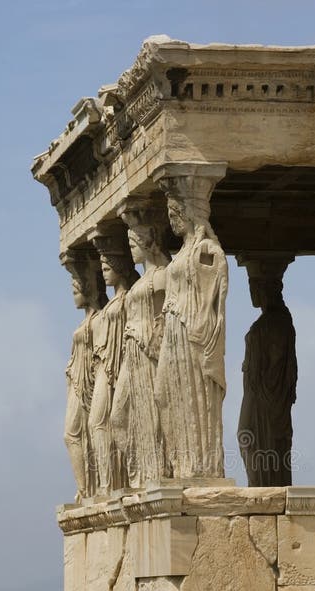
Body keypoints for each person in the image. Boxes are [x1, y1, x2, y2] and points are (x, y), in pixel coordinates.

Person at [155, 188, 228, 478]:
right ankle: (181, 464)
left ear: (191, 213)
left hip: (189, 329)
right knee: (164, 393)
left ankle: (199, 467)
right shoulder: (185, 252)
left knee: (190, 392)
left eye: (176, 213)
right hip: (173, 329)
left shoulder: (205, 249)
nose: (172, 220)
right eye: (171, 214)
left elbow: (217, 284)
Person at [111, 206, 171, 487]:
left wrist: (152, 347)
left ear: (148, 243)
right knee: (119, 418)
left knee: (152, 414)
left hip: (147, 351)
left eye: (134, 243)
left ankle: (156, 472)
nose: (131, 249)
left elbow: (164, 322)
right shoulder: (144, 281)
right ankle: (142, 473)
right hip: (131, 352)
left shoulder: (160, 277)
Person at [238, 273, 297, 486]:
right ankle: (261, 485)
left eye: (255, 285)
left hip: (266, 394)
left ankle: (264, 486)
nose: (252, 291)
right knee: (247, 435)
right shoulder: (271, 319)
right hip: (256, 389)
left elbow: (278, 359)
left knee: (248, 434)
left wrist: (264, 390)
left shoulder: (278, 320)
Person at [88, 250, 138, 493]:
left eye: (108, 268)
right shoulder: (111, 304)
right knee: (97, 423)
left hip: (121, 363)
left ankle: (134, 473)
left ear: (120, 268)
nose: (104, 272)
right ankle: (109, 484)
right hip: (105, 365)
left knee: (114, 420)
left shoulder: (128, 298)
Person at [63, 253, 104, 501]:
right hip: (77, 382)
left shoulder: (99, 319)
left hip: (89, 381)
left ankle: (91, 488)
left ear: (89, 287)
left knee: (77, 433)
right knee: (74, 434)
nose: (73, 292)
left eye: (77, 286)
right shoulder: (87, 321)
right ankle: (87, 488)